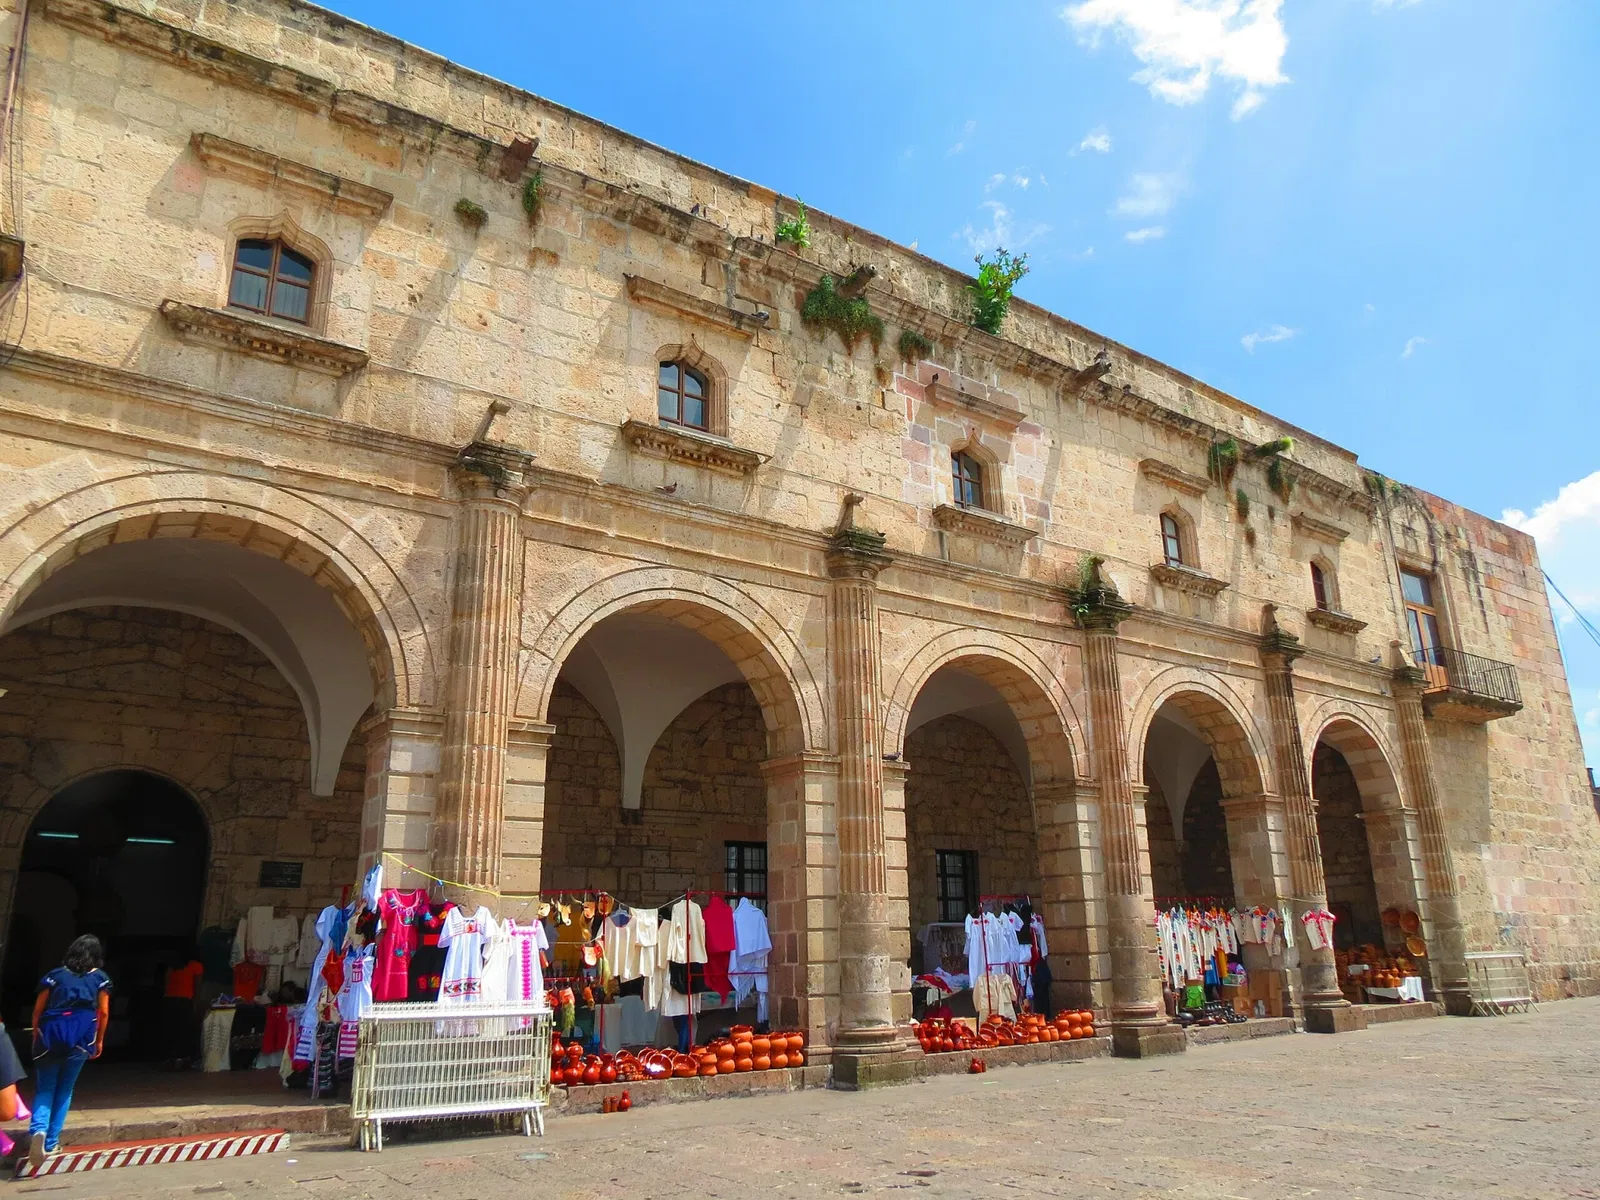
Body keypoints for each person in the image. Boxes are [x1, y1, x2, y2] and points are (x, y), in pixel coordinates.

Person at [28, 934, 111, 1168]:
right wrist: (99, 1040)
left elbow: (38, 1009)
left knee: (45, 1088)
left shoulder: (54, 976)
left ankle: (39, 1130)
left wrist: (36, 1033)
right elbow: (104, 1012)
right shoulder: (100, 979)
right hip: (81, 1039)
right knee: (65, 1089)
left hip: (50, 1037)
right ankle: (52, 1142)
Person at [161, 949, 204, 1069]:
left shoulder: (172, 966)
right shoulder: (197, 966)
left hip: (169, 1000)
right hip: (184, 1001)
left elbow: (166, 985)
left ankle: (170, 1058)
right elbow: (197, 986)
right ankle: (181, 1059)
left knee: (171, 1030)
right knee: (184, 1031)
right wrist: (196, 1004)